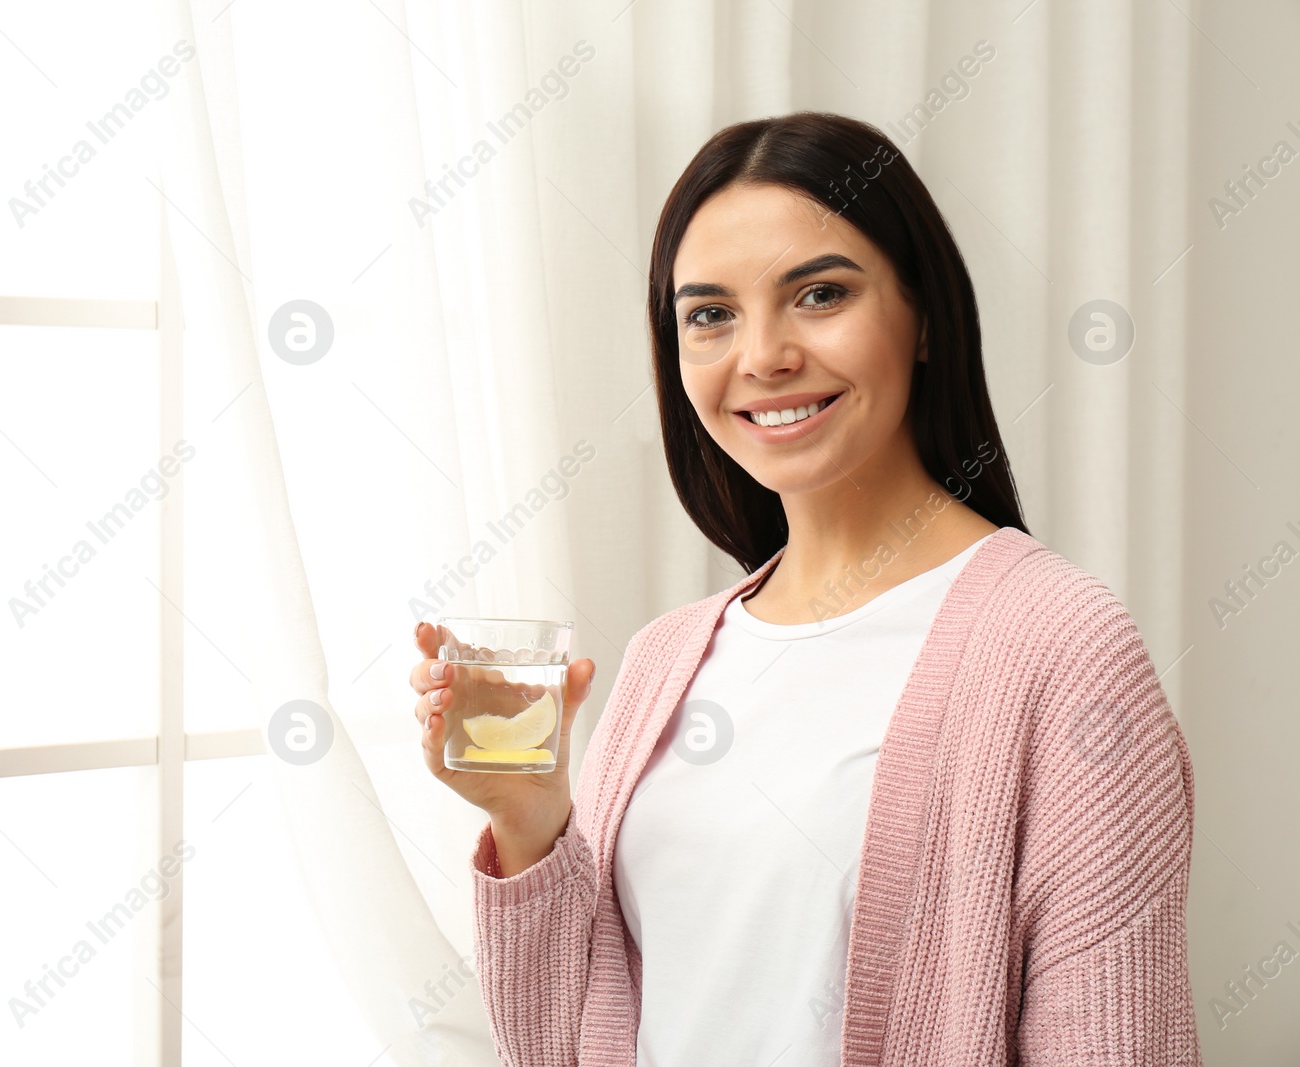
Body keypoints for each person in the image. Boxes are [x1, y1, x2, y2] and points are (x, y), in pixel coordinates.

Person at [408, 111, 1198, 1066]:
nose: (762, 356)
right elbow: (555, 1044)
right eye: (710, 314)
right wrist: (529, 821)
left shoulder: (1062, 645)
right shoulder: (669, 656)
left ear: (925, 321)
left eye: (819, 294)